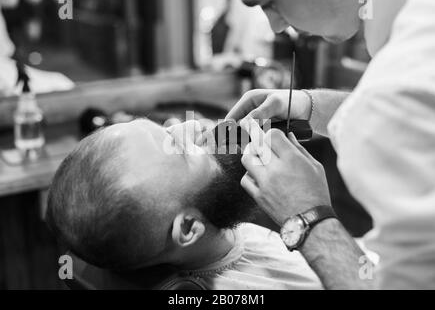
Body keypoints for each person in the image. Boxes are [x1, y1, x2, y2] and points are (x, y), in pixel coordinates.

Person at [226, 0, 435, 289]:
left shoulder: (398, 86)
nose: (274, 26)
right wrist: (308, 107)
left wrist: (306, 218)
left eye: (270, 2)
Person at [46, 119, 322, 290]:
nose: (192, 126)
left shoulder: (213, 223)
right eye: (182, 150)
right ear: (189, 228)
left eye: (167, 129)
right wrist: (316, 215)